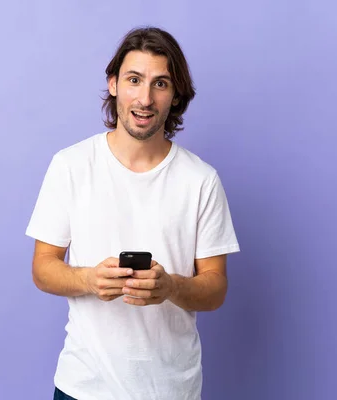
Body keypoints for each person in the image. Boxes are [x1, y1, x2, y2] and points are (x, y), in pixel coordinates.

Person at [26, 26, 240, 400]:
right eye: (134, 80)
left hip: (172, 390)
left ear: (175, 96)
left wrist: (171, 286)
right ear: (113, 84)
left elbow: (215, 287)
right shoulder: (71, 165)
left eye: (160, 84)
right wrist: (90, 280)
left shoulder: (201, 180)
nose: (145, 98)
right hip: (84, 388)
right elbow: (43, 267)